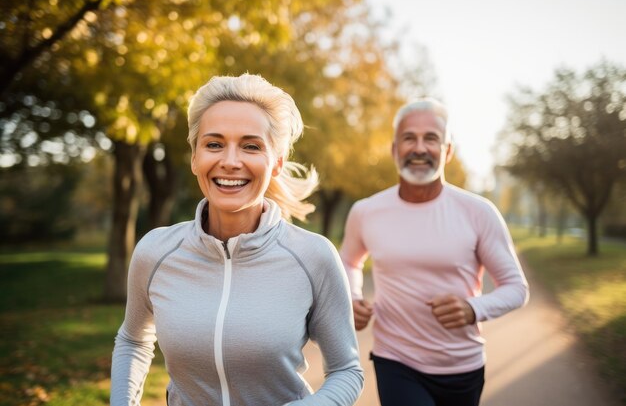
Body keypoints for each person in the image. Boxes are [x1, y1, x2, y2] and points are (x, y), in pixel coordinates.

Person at [110, 74, 364, 406]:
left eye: (251, 146)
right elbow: (133, 340)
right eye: (214, 144)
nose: (230, 161)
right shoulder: (156, 252)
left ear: (276, 163)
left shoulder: (313, 256)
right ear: (194, 158)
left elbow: (347, 370)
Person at [339, 97, 529, 406]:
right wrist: (353, 297)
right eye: (409, 138)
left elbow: (517, 288)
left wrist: (472, 309)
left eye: (431, 138)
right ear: (394, 149)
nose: (419, 148)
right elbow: (349, 260)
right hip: (394, 359)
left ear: (448, 150)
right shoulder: (366, 211)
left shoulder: (478, 211)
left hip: (462, 366)